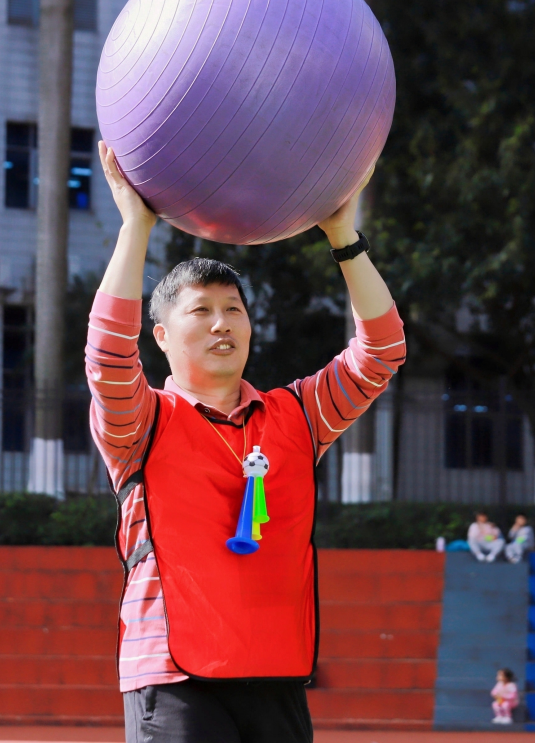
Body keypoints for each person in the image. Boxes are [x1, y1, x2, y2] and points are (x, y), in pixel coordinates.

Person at [88, 142, 405, 743]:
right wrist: (135, 227)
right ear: (161, 336)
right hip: (173, 673)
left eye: (233, 309)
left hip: (275, 670)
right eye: (201, 310)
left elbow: (382, 351)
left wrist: (344, 238)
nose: (221, 323)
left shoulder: (298, 415)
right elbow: (107, 357)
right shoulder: (142, 423)